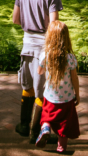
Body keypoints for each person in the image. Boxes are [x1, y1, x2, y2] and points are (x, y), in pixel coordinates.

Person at [13, 0, 63, 142]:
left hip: (26, 46)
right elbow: (54, 28)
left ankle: (24, 124)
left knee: (27, 87)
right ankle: (37, 131)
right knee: (42, 90)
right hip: (43, 48)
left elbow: (15, 19)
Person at [35, 21, 80, 153]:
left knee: (46, 116)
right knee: (64, 124)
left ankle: (46, 128)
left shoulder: (45, 55)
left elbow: (39, 72)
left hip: (50, 96)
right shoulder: (70, 58)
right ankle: (61, 147)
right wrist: (77, 94)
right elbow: (75, 78)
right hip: (67, 98)